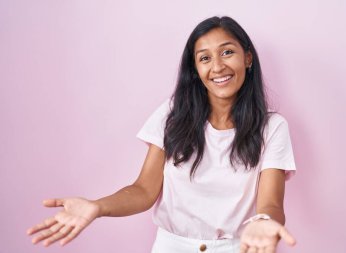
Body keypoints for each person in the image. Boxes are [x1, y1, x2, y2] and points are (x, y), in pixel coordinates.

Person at [27, 16, 297, 253]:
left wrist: (263, 223)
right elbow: (144, 190)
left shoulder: (272, 128)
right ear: (196, 70)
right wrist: (98, 207)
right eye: (204, 58)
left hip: (241, 247)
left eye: (227, 52)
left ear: (247, 58)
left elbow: (271, 203)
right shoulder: (172, 115)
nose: (217, 67)